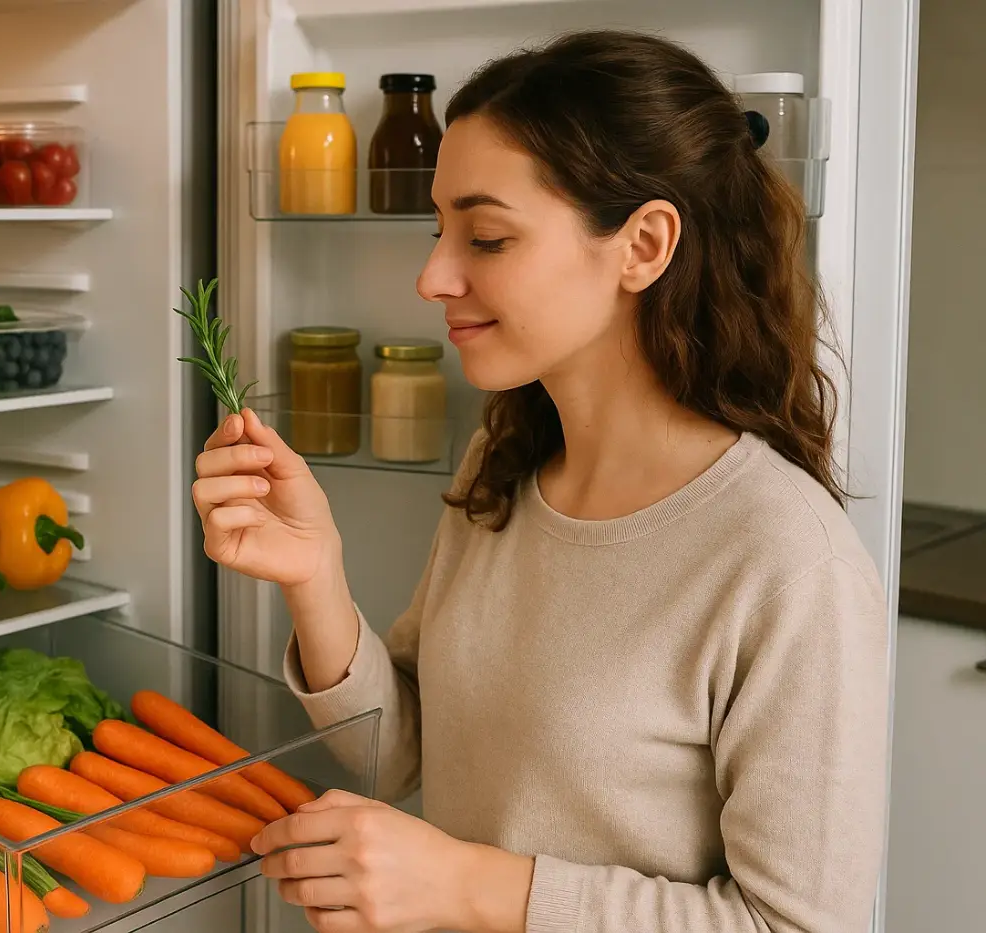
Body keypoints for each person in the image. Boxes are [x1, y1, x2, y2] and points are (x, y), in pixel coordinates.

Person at [192, 29, 888, 933]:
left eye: (486, 236)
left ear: (643, 244)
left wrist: (469, 888)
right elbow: (404, 748)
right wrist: (315, 577)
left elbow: (795, 924)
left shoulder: (788, 561)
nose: (434, 274)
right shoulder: (505, 465)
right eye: (439, 229)